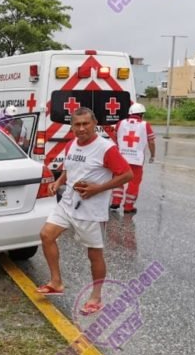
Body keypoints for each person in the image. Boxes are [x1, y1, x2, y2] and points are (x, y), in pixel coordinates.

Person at [36, 107, 133, 315]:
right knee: (46, 235)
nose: (81, 129)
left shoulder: (106, 148)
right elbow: (68, 167)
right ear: (72, 127)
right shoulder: (72, 143)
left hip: (91, 211)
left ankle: (96, 297)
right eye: (77, 125)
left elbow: (127, 175)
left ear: (94, 123)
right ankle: (56, 282)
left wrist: (97, 189)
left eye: (85, 124)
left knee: (94, 255)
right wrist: (59, 181)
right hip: (68, 203)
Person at [109, 103, 156, 214]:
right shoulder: (145, 125)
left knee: (118, 179)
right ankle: (128, 207)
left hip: (121, 158)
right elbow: (151, 141)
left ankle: (116, 201)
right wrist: (153, 155)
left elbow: (115, 138)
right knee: (134, 182)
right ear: (141, 114)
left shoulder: (120, 123)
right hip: (136, 160)